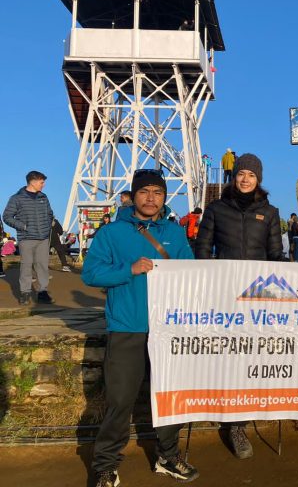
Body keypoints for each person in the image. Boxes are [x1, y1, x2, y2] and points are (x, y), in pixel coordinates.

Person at [82, 169, 198, 487]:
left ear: (164, 198)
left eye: (157, 192)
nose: (151, 198)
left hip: (167, 329)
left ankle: (167, 457)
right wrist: (128, 269)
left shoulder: (175, 233)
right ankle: (105, 465)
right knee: (120, 400)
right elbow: (91, 274)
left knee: (169, 397)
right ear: (133, 195)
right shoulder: (111, 233)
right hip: (126, 327)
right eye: (144, 191)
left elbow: (192, 274)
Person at [195, 153, 283, 458]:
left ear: (259, 179)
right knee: (230, 358)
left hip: (260, 298)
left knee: (254, 357)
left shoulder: (269, 212)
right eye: (241, 174)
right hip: (224, 296)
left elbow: (276, 256)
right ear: (235, 177)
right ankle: (235, 424)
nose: (245, 179)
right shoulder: (217, 209)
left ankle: (246, 412)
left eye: (251, 175)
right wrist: (209, 281)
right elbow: (203, 249)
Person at [3, 171, 55, 305]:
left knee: (42, 266)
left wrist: (48, 226)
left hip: (43, 238)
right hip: (26, 238)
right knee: (26, 267)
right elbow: (7, 217)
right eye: (41, 182)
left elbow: (50, 214)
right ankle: (25, 293)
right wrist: (23, 226)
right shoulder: (16, 198)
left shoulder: (44, 197)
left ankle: (43, 292)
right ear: (33, 181)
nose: (43, 185)